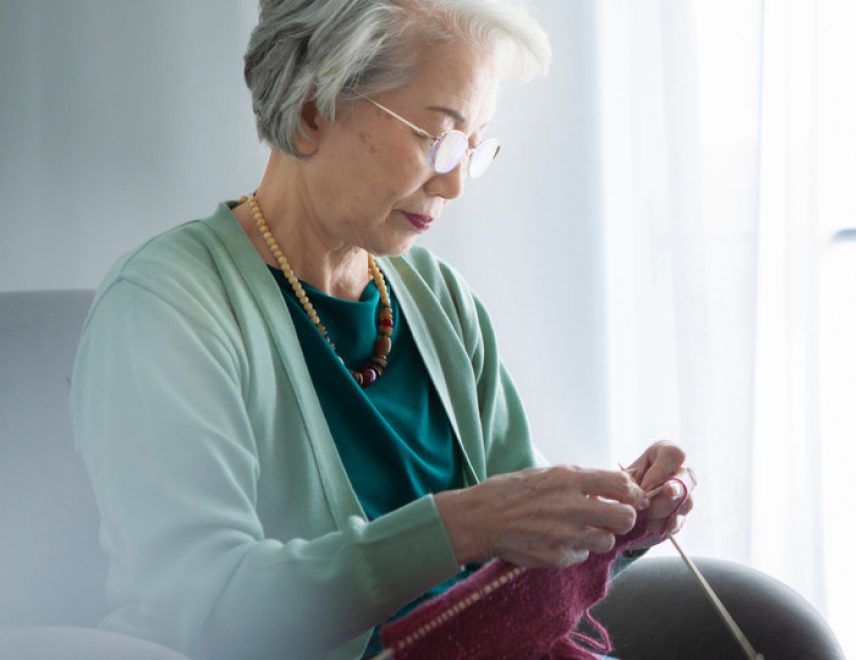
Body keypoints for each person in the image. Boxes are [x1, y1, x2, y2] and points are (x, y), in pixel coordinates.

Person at [69, 1, 695, 658]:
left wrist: (616, 521)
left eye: (473, 146)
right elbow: (216, 608)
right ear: (314, 111)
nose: (454, 183)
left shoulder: (441, 300)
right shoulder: (168, 306)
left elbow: (524, 563)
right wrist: (464, 526)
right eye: (437, 138)